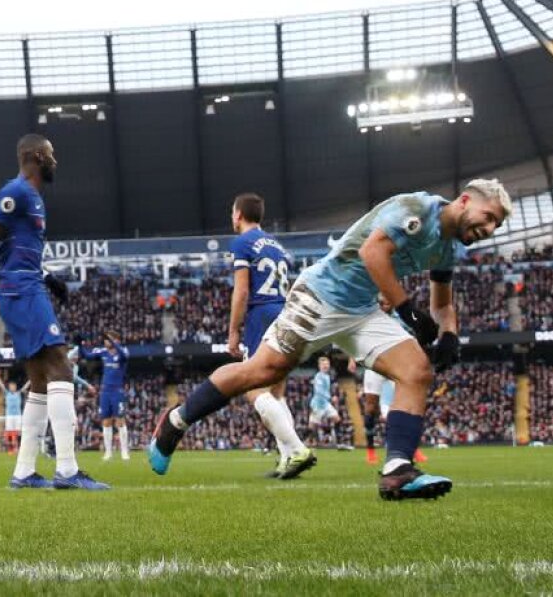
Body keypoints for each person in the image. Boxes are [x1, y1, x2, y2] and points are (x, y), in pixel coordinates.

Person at [149, 179, 511, 501]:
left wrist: (449, 335)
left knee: (416, 370)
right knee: (261, 372)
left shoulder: (448, 248)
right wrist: (405, 309)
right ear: (465, 200)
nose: (491, 228)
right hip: (321, 295)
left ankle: (397, 471)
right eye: (490, 216)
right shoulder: (416, 209)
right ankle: (176, 421)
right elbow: (373, 253)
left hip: (362, 309)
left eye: (498, 224)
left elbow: (442, 304)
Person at [0, 133, 107, 491]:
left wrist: (49, 277)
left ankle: (23, 471)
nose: (56, 160)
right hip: (20, 290)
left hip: (28, 284)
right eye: (52, 154)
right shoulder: (16, 192)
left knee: (39, 380)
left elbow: (18, 249)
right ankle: (67, 471)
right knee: (61, 366)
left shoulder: (33, 198)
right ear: (37, 155)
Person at [225, 193, 314, 480]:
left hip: (260, 314)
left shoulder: (241, 243)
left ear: (238, 214)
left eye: (232, 212)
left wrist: (233, 331)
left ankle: (298, 449)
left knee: (253, 389)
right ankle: (288, 460)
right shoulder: (277, 245)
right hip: (284, 312)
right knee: (276, 392)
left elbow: (241, 291)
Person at [349, 295, 428, 465]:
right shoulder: (370, 315)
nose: (382, 304)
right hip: (374, 366)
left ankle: (411, 449)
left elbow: (414, 336)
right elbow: (355, 334)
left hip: (396, 368)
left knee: (405, 405)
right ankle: (370, 450)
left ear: (393, 302)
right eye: (380, 302)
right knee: (370, 408)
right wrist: (351, 357)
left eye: (386, 302)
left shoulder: (402, 318)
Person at [78, 332, 132, 461]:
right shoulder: (103, 352)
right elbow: (87, 355)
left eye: (108, 340)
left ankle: (124, 452)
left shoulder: (122, 351)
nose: (105, 342)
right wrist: (79, 345)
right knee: (106, 421)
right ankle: (108, 452)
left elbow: (125, 357)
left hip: (117, 391)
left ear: (116, 340)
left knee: (120, 420)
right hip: (105, 392)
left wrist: (113, 342)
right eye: (106, 339)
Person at [307, 356, 342, 442]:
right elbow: (319, 392)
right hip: (318, 404)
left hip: (325, 404)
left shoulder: (327, 376)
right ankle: (307, 440)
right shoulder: (318, 376)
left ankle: (340, 442)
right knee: (312, 426)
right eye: (323, 364)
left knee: (337, 419)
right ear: (319, 366)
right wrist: (331, 397)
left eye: (327, 364)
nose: (326, 366)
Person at [0, 370, 28, 454]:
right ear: (9, 387)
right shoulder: (7, 393)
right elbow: (1, 385)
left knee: (17, 432)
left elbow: (26, 386)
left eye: (14, 386)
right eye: (11, 386)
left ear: (16, 387)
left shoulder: (19, 393)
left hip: (17, 416)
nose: (12, 387)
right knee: (9, 432)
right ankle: (10, 449)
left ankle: (17, 448)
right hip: (9, 416)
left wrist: (32, 378)